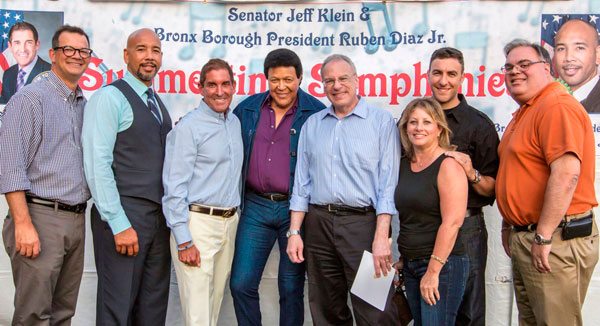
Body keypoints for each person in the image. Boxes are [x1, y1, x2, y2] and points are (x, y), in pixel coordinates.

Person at [287, 54, 400, 325]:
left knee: (376, 310)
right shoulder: (313, 124)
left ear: (356, 80)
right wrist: (294, 232)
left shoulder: (381, 122)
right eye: (329, 81)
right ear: (323, 85)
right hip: (319, 226)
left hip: (364, 226)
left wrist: (381, 236)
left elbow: (388, 184)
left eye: (343, 79)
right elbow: (301, 184)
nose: (337, 86)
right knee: (327, 308)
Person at [497, 39, 598, 325]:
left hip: (554, 240)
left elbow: (567, 174)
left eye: (524, 64)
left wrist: (543, 235)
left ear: (547, 68)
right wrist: (510, 224)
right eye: (509, 67)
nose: (515, 71)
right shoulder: (529, 109)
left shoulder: (555, 105)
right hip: (532, 238)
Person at [0, 25, 91, 325]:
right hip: (39, 218)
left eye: (83, 51)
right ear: (52, 54)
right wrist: (23, 224)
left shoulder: (83, 105)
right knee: (33, 316)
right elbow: (10, 164)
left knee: (63, 314)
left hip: (76, 219)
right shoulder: (30, 99)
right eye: (69, 49)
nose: (76, 56)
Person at [82, 28, 172, 325]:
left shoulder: (157, 103)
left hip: (158, 220)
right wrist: (118, 223)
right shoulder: (110, 97)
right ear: (126, 55)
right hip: (124, 215)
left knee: (152, 309)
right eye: (141, 49)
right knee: (117, 309)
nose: (149, 56)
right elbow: (97, 164)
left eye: (155, 50)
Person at [230, 48, 325, 326]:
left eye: (288, 79)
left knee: (291, 287)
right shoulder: (247, 109)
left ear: (300, 78)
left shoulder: (316, 112)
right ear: (266, 79)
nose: (281, 86)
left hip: (295, 210)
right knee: (241, 283)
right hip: (255, 207)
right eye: (275, 80)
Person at [162, 58, 243, 326]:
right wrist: (184, 239)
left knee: (213, 307)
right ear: (200, 88)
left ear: (234, 85)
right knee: (197, 315)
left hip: (229, 224)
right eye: (212, 85)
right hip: (197, 225)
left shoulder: (233, 123)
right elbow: (174, 188)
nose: (219, 91)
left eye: (225, 84)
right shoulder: (188, 127)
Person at [426, 47, 499, 326]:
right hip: (424, 228)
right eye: (437, 73)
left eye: (451, 74)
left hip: (466, 231)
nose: (443, 80)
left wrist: (472, 173)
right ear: (428, 75)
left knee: (468, 313)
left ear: (462, 78)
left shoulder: (478, 125)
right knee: (427, 308)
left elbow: (493, 189)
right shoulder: (415, 121)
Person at [395, 97, 469, 326]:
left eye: (427, 122)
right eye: (413, 122)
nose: (419, 128)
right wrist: (403, 260)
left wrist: (433, 271)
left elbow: (452, 223)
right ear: (405, 127)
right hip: (410, 264)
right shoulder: (404, 164)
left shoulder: (448, 165)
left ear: (439, 129)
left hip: (442, 265)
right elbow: (412, 217)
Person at [554, 18, 600, 113]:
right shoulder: (545, 100)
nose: (568, 57)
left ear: (598, 54)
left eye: (579, 48)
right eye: (561, 49)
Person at [0, 21, 51, 104]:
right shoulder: (8, 74)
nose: (23, 49)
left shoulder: (52, 74)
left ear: (37, 45)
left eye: (28, 42)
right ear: (10, 46)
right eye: (17, 43)